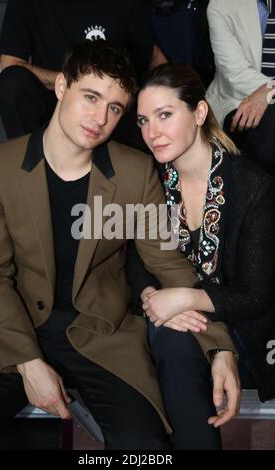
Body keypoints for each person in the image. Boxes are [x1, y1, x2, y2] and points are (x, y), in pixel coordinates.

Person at [0, 40, 239, 450]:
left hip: (104, 336)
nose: (100, 118)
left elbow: (169, 264)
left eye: (115, 108)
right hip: (13, 329)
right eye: (91, 97)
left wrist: (221, 348)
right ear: (62, 86)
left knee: (146, 451)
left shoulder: (134, 173)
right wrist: (28, 363)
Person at [126, 61, 275, 449]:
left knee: (172, 339)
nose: (152, 133)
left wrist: (185, 298)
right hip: (169, 325)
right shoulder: (150, 180)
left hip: (245, 328)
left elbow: (257, 295)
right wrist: (150, 297)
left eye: (164, 115)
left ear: (199, 112)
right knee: (168, 337)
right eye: (143, 121)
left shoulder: (253, 187)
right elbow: (135, 261)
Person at [0, 0, 166, 150]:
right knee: (13, 83)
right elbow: (11, 66)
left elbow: (154, 58)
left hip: (110, 111)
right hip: (53, 102)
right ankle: (28, 162)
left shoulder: (124, 4)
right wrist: (78, 83)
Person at [206, 0, 275, 175]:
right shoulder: (220, 5)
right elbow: (235, 72)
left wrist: (270, 89)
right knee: (267, 139)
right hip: (238, 97)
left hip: (266, 91)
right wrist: (268, 89)